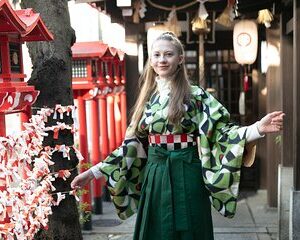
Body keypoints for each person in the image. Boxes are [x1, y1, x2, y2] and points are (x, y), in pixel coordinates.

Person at [71, 32, 284, 240]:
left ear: (180, 59)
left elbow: (222, 131)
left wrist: (256, 128)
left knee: (192, 226)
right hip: (155, 173)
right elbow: (131, 146)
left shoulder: (196, 95)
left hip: (188, 169)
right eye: (156, 55)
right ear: (150, 59)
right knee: (155, 230)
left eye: (168, 54)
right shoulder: (148, 98)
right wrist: (93, 172)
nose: (162, 60)